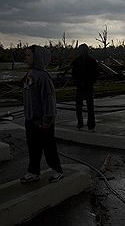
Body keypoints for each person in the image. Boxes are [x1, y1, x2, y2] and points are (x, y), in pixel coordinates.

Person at [20, 45, 64, 183]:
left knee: (48, 147)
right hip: (30, 119)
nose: (26, 58)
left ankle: (57, 170)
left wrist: (47, 120)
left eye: (29, 55)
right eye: (26, 55)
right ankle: (33, 172)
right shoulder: (30, 74)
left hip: (42, 121)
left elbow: (49, 99)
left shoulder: (43, 77)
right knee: (33, 148)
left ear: (37, 57)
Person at [71, 44, 99, 131]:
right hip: (80, 86)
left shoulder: (92, 61)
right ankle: (80, 123)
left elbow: (95, 74)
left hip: (88, 86)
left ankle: (91, 125)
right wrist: (77, 82)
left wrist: (89, 82)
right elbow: (74, 73)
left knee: (90, 107)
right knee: (79, 107)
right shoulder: (77, 61)